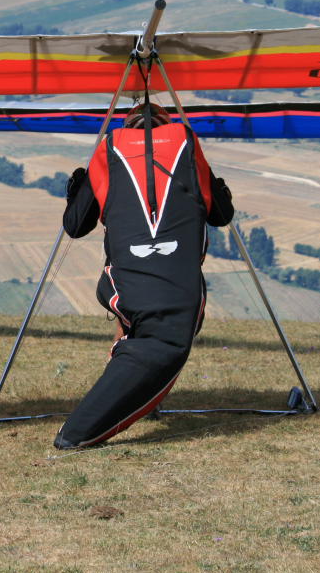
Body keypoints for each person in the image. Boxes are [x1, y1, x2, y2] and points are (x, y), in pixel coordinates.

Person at [54, 102, 234, 449]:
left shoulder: (111, 149)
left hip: (125, 280)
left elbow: (76, 226)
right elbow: (221, 215)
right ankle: (79, 432)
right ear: (167, 123)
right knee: (161, 339)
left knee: (142, 332)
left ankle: (123, 398)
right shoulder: (185, 146)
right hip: (177, 284)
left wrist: (78, 187)